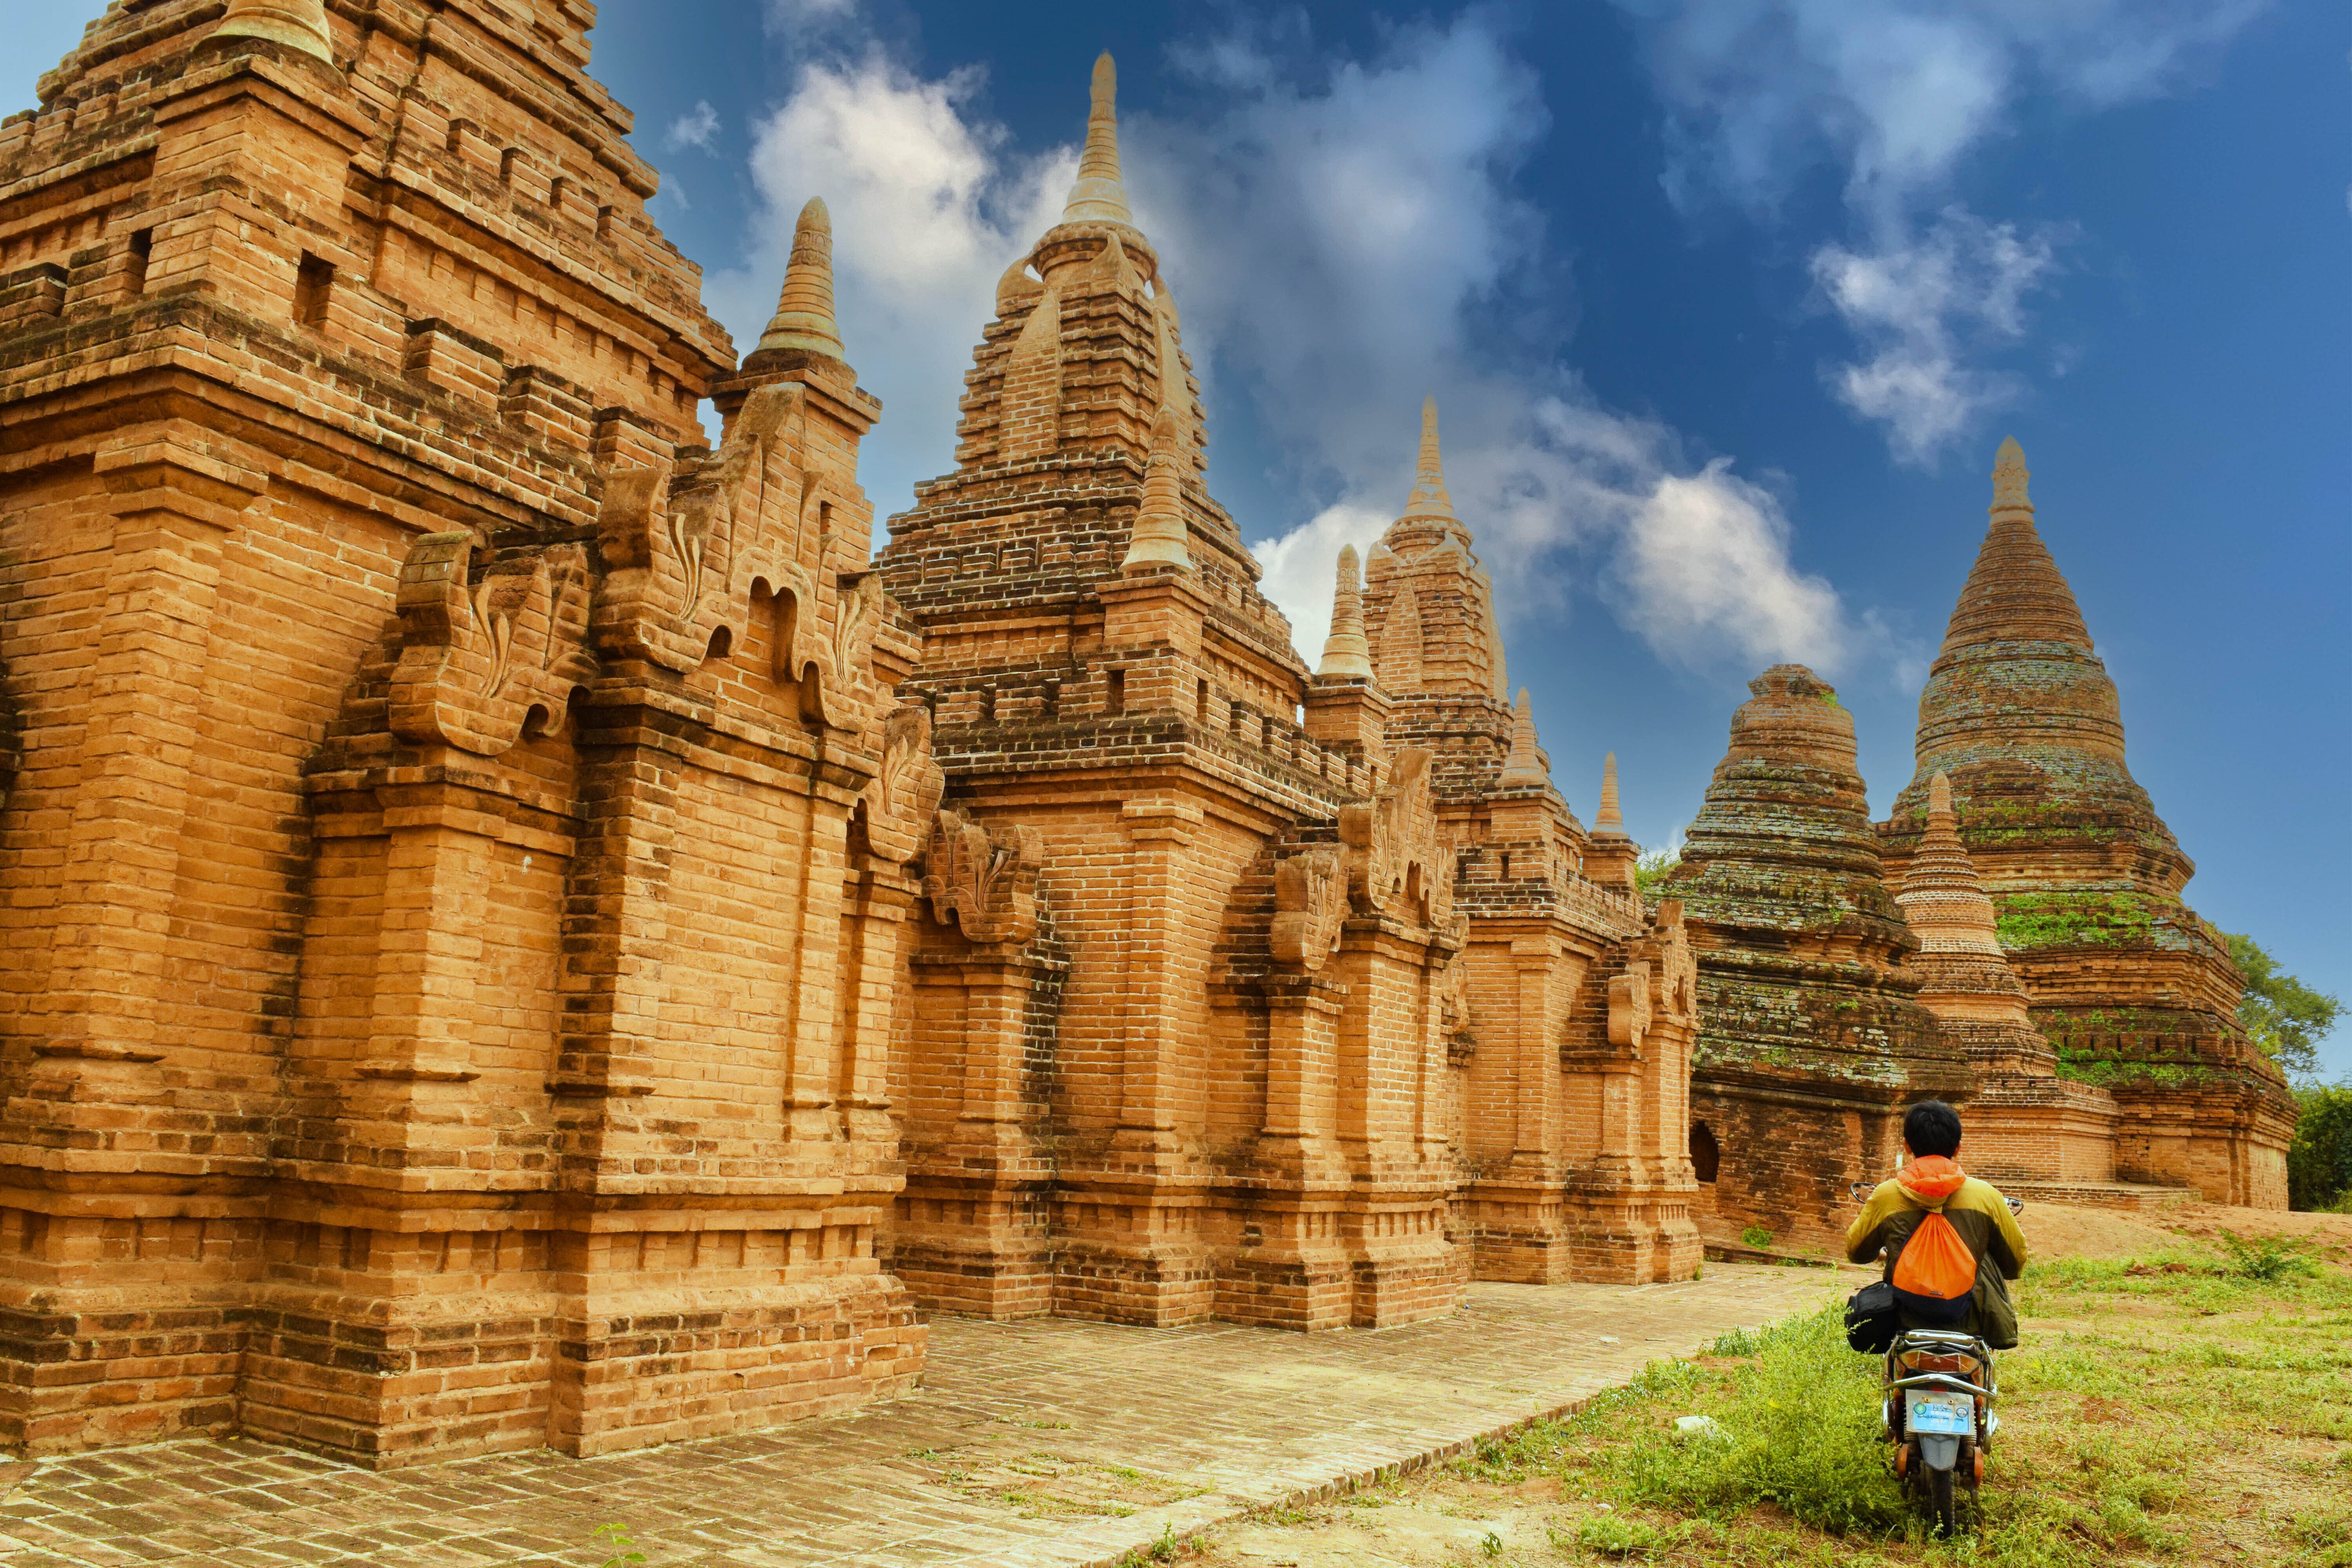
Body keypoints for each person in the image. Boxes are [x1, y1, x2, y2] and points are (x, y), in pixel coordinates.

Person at [1846, 1099, 2028, 1347]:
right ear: (1958, 1147)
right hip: (1972, 1320)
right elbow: (2014, 1262)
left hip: (1902, 1320)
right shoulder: (1985, 1196)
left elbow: (1857, 1252)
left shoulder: (1886, 1196)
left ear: (1907, 1146)